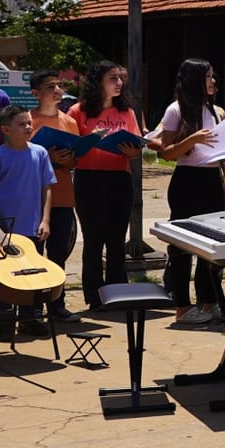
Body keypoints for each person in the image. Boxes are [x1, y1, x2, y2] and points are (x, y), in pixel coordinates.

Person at [149, 58, 225, 326]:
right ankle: (182, 306)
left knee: (213, 243)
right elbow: (167, 153)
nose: (213, 81)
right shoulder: (176, 110)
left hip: (211, 178)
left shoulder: (217, 110)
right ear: (195, 79)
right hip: (187, 180)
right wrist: (192, 139)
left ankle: (209, 301)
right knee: (182, 245)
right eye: (208, 76)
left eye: (213, 76)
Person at [0, 104, 56, 338]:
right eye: (21, 124)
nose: (28, 127)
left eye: (29, 122)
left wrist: (45, 220)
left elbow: (47, 189)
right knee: (4, 277)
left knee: (32, 275)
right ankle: (5, 324)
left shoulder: (40, 153)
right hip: (3, 231)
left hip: (32, 228)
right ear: (5, 129)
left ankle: (29, 319)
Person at [70, 62, 144, 307]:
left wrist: (134, 152)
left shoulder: (127, 112)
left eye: (121, 79)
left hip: (119, 178)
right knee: (93, 239)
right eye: (113, 78)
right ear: (97, 81)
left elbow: (136, 143)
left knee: (115, 239)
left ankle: (118, 293)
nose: (119, 83)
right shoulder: (78, 111)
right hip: (88, 178)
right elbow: (70, 149)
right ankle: (94, 296)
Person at [26, 70, 82, 322]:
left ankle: (57, 305)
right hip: (33, 198)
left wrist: (69, 159)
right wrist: (46, 158)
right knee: (34, 255)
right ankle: (33, 307)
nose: (58, 90)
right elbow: (19, 157)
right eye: (51, 86)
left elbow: (76, 157)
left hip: (63, 194)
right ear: (36, 93)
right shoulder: (27, 121)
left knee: (58, 253)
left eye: (60, 86)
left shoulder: (69, 121)